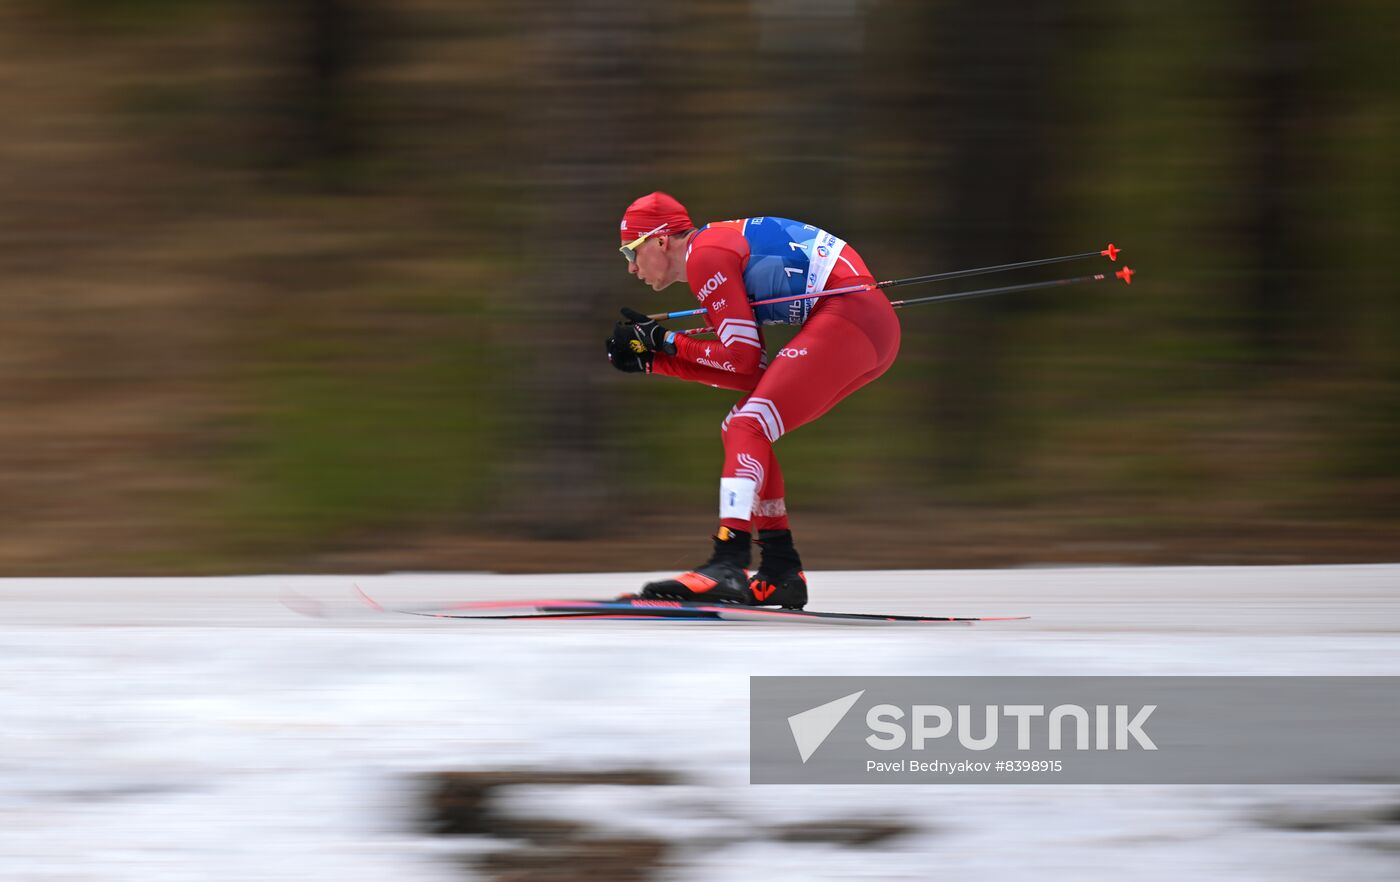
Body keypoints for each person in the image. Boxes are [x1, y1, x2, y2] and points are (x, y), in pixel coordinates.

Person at [607, 192, 900, 609]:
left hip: (851, 316)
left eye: (630, 251)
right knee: (745, 424)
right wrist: (658, 360)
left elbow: (741, 362)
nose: (631, 267)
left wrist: (668, 342)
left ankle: (728, 561)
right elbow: (747, 371)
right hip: (865, 324)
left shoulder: (705, 257)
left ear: (659, 241)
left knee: (748, 425)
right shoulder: (710, 256)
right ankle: (780, 568)